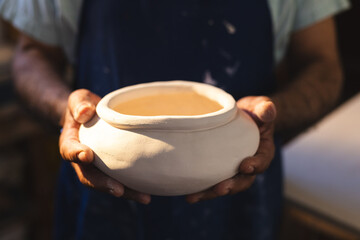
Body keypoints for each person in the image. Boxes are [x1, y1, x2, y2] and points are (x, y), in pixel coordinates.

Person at [0, 0, 350, 239]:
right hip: (101, 194)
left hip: (242, 193)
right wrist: (67, 110)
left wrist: (268, 119)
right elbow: (32, 54)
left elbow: (322, 63)